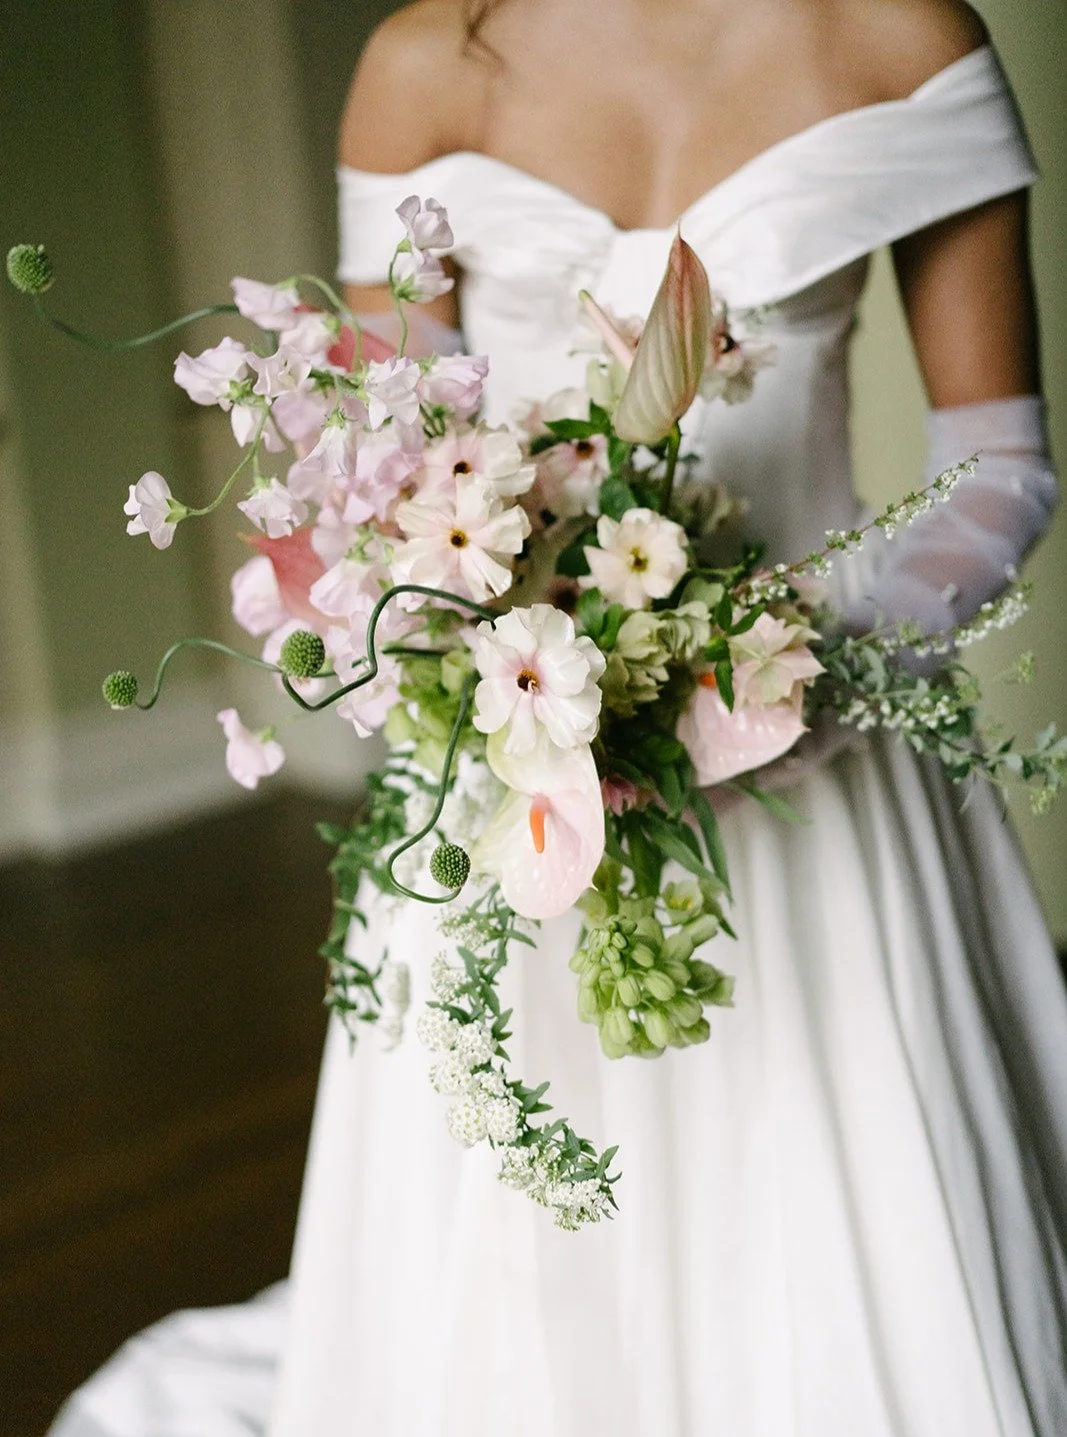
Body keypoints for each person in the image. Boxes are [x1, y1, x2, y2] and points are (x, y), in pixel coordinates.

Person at [49, 1, 1067, 1434]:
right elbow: (383, 468)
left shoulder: (899, 34)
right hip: (510, 751)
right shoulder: (425, 66)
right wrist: (465, 637)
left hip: (818, 740)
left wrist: (792, 670)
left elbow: (994, 465)